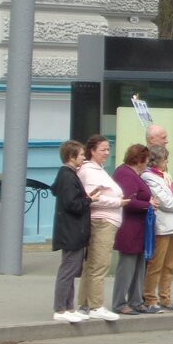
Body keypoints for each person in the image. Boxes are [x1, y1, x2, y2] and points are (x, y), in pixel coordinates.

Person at [76, 134, 128, 321]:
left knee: (93, 264)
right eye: (103, 150)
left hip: (105, 220)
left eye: (108, 149)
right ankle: (95, 305)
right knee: (99, 264)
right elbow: (92, 197)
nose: (107, 153)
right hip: (101, 220)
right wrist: (117, 202)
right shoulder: (90, 171)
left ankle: (85, 303)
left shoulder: (98, 169)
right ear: (92, 151)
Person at [142, 144, 173, 313]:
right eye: (165, 159)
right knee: (156, 265)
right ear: (155, 161)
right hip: (162, 226)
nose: (167, 162)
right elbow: (164, 201)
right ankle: (150, 298)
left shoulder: (165, 176)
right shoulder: (148, 177)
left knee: (169, 265)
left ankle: (166, 297)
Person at [51, 140, 92, 323]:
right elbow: (72, 204)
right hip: (71, 231)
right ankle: (60, 309)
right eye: (81, 154)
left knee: (72, 268)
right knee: (68, 270)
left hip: (71, 230)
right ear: (71, 156)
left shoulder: (67, 175)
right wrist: (89, 200)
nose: (84, 157)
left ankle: (69, 307)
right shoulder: (68, 176)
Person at [111, 144, 156, 315]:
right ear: (140, 159)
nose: (148, 163)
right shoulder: (125, 174)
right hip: (129, 228)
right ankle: (119, 302)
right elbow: (128, 201)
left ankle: (136, 300)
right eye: (147, 159)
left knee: (138, 265)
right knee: (127, 266)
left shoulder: (131, 173)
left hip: (138, 227)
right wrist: (148, 204)